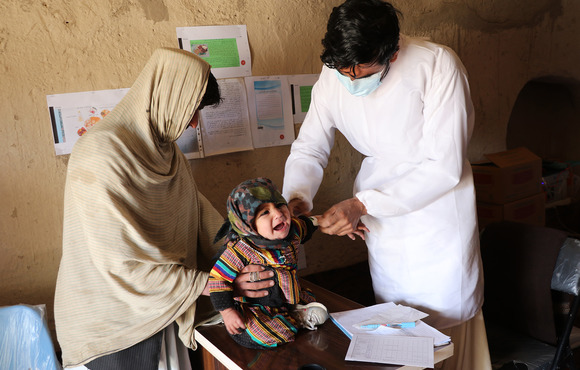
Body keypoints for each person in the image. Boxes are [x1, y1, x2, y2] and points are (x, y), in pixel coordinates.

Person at [282, 1, 491, 369]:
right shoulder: (336, 72)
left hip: (438, 215)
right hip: (382, 220)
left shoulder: (437, 65)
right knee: (396, 327)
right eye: (344, 70)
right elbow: (310, 145)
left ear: (392, 53)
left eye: (362, 70)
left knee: (447, 332)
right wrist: (297, 199)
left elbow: (444, 167)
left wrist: (362, 205)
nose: (351, 79)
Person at [54, 48, 274, 370]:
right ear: (167, 97)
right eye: (192, 109)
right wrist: (215, 283)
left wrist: (251, 254)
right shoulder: (101, 155)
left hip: (165, 306)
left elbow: (200, 218)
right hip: (112, 325)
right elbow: (122, 263)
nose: (193, 123)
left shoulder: (167, 153)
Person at [209, 177, 329, 349]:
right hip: (257, 307)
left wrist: (322, 220)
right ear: (247, 225)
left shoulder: (293, 231)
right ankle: (288, 321)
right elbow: (217, 280)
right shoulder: (241, 249)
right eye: (265, 212)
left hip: (288, 296)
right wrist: (227, 312)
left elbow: (307, 226)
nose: (278, 214)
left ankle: (294, 312)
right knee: (266, 333)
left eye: (279, 204)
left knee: (321, 311)